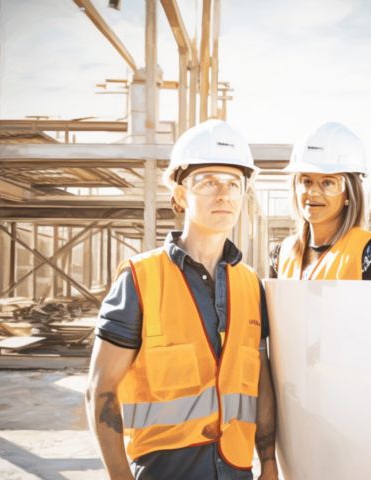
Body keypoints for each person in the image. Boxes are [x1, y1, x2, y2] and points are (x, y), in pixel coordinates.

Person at [85, 119, 279, 480]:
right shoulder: (140, 279)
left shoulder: (251, 284)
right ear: (178, 196)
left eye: (233, 184)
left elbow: (260, 376)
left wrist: (267, 462)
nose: (223, 194)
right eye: (207, 182)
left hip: (238, 471)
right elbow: (101, 390)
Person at [270, 122, 371, 281]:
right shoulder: (281, 254)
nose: (313, 192)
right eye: (306, 181)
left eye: (327, 183)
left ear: (349, 193)